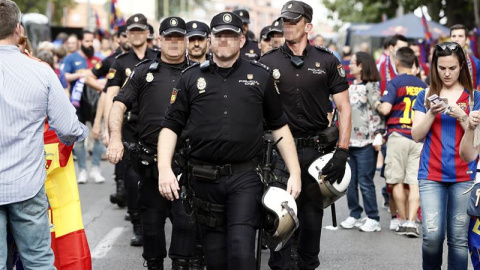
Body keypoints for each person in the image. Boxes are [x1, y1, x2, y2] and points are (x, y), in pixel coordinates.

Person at [157, 11, 301, 270]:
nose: (224, 41)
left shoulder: (261, 76)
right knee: (215, 258)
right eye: (219, 35)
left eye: (230, 35)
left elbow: (279, 127)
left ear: (241, 40)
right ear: (210, 40)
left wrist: (295, 172)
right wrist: (164, 169)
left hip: (244, 177)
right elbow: (170, 127)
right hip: (202, 179)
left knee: (242, 251)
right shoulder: (190, 78)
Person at [260, 1, 351, 269]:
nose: (287, 25)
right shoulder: (267, 62)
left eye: (294, 21)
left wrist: (343, 151)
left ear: (308, 26)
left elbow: (344, 108)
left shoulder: (328, 60)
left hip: (315, 154)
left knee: (310, 228)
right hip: (277, 154)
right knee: (280, 225)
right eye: (285, 21)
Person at [0, 1, 88, 269]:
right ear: (19, 29)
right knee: (38, 260)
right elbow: (69, 128)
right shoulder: (40, 70)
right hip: (27, 184)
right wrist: (78, 135)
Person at [107, 16, 199, 269]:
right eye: (168, 37)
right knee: (151, 225)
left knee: (185, 223)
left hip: (187, 163)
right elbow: (118, 103)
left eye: (178, 38)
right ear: (158, 40)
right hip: (151, 163)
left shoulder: (198, 73)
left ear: (186, 41)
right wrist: (115, 137)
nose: (173, 42)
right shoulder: (143, 71)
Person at [412, 41, 479, 269]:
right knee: (431, 236)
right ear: (434, 67)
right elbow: (416, 135)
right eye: (442, 68)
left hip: (465, 176)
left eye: (452, 68)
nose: (447, 73)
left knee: (458, 241)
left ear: (461, 66)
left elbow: (476, 144)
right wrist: (431, 113)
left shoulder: (474, 98)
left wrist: (463, 117)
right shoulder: (424, 94)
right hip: (430, 174)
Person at [105, 14, 159, 247]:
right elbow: (112, 96)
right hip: (128, 125)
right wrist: (109, 130)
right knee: (132, 175)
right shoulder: (120, 61)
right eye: (132, 31)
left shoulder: (158, 58)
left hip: (153, 127)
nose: (136, 34)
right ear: (126, 35)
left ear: (148, 33)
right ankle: (138, 224)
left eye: (140, 30)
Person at [376, 47, 427, 237]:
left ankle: (404, 221)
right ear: (413, 63)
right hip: (417, 136)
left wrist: (378, 104)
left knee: (395, 180)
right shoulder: (423, 85)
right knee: (414, 182)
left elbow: (386, 109)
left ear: (397, 62)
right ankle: (412, 222)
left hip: (397, 135)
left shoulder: (394, 83)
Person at [340, 51, 383, 232]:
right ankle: (354, 214)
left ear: (362, 66)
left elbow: (377, 112)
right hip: (349, 141)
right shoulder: (349, 86)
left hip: (366, 142)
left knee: (365, 181)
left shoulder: (372, 86)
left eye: (353, 63)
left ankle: (373, 217)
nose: (350, 65)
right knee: (350, 181)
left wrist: (379, 135)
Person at [63, 30, 105, 184]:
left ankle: (96, 168)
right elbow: (65, 76)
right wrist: (82, 76)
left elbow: (107, 78)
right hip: (77, 104)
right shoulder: (71, 59)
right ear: (81, 42)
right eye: (87, 41)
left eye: (92, 41)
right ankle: (82, 170)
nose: (90, 44)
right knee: (79, 139)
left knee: (97, 134)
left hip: (95, 104)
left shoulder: (98, 60)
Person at [450, 24, 480, 89]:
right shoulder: (441, 60)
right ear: (450, 39)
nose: (456, 39)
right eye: (454, 36)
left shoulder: (476, 63)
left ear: (466, 40)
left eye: (460, 36)